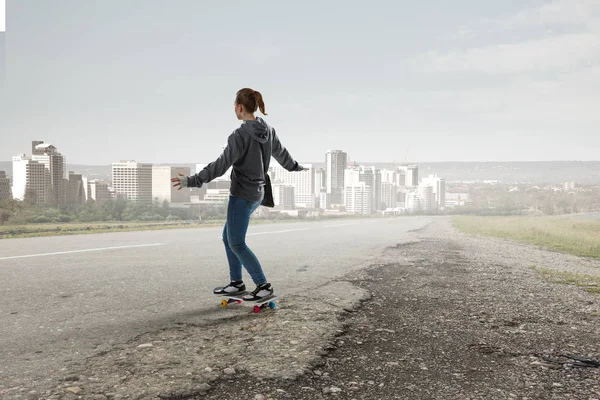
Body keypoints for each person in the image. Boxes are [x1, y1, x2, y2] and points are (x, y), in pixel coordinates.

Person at [171, 88, 305, 301]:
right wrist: (296, 167)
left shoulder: (240, 135)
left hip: (242, 195)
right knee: (228, 238)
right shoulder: (268, 130)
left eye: (235, 106)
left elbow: (220, 165)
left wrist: (192, 181)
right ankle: (237, 283)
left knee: (237, 243)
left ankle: (263, 285)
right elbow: (282, 154)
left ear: (240, 108)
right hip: (258, 193)